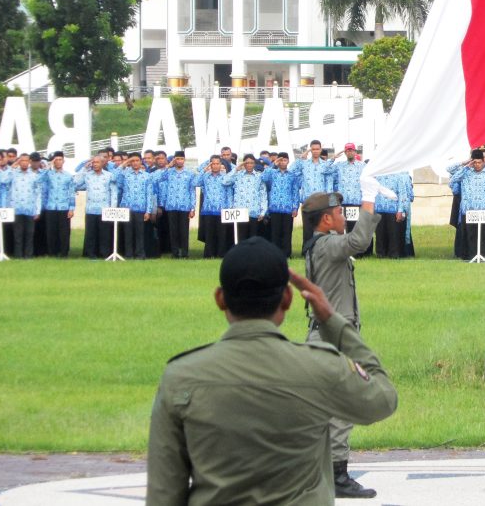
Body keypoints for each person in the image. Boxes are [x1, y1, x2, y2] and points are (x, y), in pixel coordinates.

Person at [145, 236, 397, 505]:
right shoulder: (321, 367)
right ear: (287, 298)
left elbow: (164, 494)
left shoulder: (182, 376)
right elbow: (382, 399)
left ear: (221, 299)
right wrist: (332, 321)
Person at [301, 178, 385, 499]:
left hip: (325, 334)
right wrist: (368, 200)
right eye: (338, 212)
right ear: (325, 219)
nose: (343, 217)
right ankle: (337, 475)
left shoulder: (321, 244)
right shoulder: (327, 245)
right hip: (334, 338)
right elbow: (359, 241)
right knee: (342, 405)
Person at [0, 153, 43, 259]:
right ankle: (18, 255)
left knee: (29, 234)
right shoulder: (13, 174)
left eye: (26, 161)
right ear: (19, 162)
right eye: (22, 161)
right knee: (18, 234)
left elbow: (38, 194)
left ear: (29, 162)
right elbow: (2, 180)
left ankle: (28, 255)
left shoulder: (34, 176)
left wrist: (37, 210)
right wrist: (12, 167)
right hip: (16, 209)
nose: (24, 163)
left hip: (29, 209)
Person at [291, 141, 336, 249]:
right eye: (313, 149)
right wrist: (301, 157)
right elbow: (291, 170)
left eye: (317, 149)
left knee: (321, 227)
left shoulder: (326, 165)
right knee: (307, 228)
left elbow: (329, 182)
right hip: (308, 201)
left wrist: (330, 202)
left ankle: (321, 250)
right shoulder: (304, 164)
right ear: (310, 150)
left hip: (321, 201)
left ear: (321, 150)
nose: (315, 151)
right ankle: (306, 250)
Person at [449, 150, 485, 260]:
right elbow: (452, 177)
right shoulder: (465, 173)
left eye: (479, 162)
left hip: (483, 209)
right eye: (475, 162)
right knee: (470, 235)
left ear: (483, 162)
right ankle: (469, 256)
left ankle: (483, 256)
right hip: (468, 209)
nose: (477, 165)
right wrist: (465, 164)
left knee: (483, 235)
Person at [74, 156, 117, 259]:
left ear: (102, 163)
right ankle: (91, 254)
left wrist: (112, 208)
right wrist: (84, 169)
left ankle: (104, 253)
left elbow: (114, 192)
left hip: (105, 209)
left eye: (97, 162)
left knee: (105, 233)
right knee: (91, 233)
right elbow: (75, 184)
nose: (95, 164)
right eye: (93, 162)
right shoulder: (87, 175)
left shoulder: (109, 175)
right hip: (91, 209)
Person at [115, 153, 156, 260]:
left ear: (141, 161)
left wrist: (148, 211)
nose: (135, 163)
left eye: (137, 160)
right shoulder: (125, 174)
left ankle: (140, 254)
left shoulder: (147, 176)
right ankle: (128, 254)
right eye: (132, 161)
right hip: (126, 207)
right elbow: (114, 177)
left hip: (140, 208)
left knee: (140, 233)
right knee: (127, 233)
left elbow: (149, 194)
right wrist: (125, 163)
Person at [157, 151, 196, 259]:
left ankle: (184, 252)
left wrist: (192, 208)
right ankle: (174, 253)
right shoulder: (169, 172)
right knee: (173, 230)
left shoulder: (190, 173)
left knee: (184, 230)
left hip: (184, 205)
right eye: (177, 159)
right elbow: (159, 178)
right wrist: (168, 166)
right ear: (174, 160)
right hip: (171, 205)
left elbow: (192, 191)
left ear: (184, 160)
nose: (179, 161)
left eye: (181, 159)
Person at [38, 151, 75, 257]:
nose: (58, 162)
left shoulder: (68, 176)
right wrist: (49, 166)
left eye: (60, 159)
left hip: (64, 206)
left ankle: (64, 252)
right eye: (56, 160)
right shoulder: (48, 174)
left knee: (64, 232)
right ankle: (52, 252)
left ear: (64, 161)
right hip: (51, 206)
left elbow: (71, 192)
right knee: (51, 231)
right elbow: (38, 180)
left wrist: (72, 208)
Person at [223, 154, 267, 244]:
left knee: (253, 238)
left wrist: (263, 211)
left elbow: (263, 194)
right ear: (244, 164)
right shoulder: (237, 175)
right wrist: (235, 169)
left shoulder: (259, 176)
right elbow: (225, 181)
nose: (249, 165)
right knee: (241, 237)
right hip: (240, 211)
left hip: (254, 211)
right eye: (247, 163)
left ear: (254, 164)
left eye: (251, 163)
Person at [194, 156, 231, 258]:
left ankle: (221, 254)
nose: (215, 166)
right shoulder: (206, 176)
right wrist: (204, 170)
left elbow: (229, 193)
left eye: (217, 163)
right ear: (210, 165)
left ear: (220, 165)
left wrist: (229, 208)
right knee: (209, 234)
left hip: (222, 209)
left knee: (221, 234)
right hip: (208, 209)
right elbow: (195, 183)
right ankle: (209, 255)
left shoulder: (225, 177)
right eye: (213, 164)